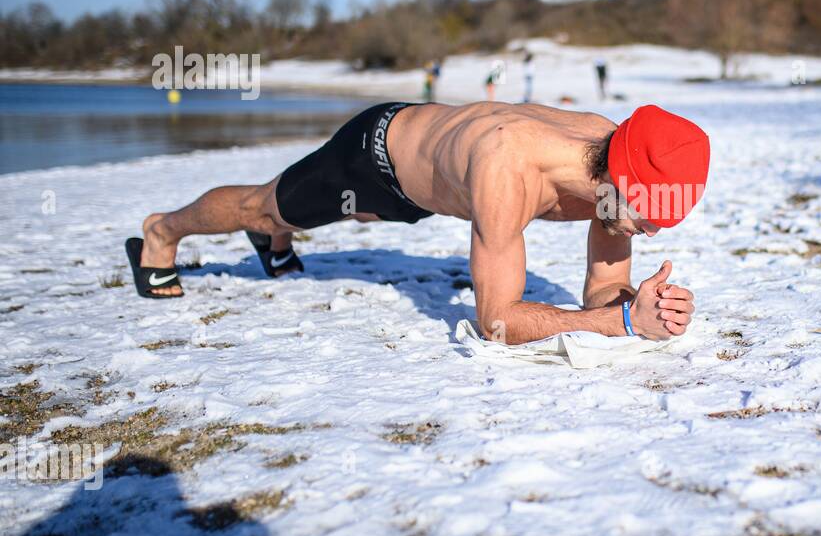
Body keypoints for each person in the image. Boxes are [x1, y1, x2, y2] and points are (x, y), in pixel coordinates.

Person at [124, 103, 710, 345]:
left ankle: (278, 236)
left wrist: (640, 307)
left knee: (295, 217)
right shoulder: (510, 169)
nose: (651, 232)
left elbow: (605, 292)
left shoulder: (618, 162)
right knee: (265, 204)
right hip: (373, 158)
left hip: (435, 183)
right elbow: (496, 322)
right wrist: (620, 325)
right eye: (647, 217)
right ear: (615, 179)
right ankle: (162, 231)